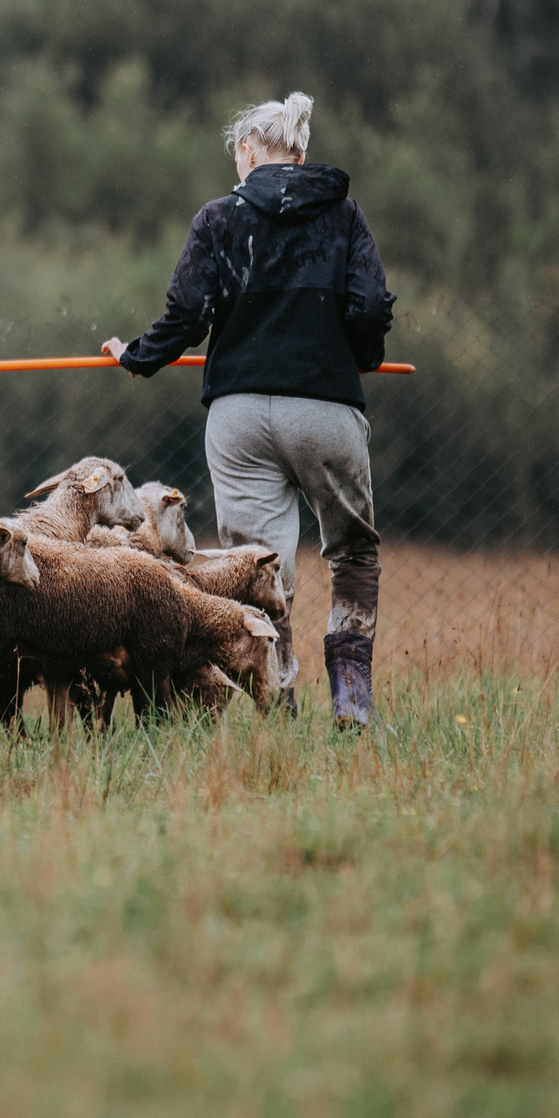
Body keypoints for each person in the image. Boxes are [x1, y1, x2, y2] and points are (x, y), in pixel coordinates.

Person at [101, 92, 393, 727]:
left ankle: (278, 707)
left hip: (237, 415)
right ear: (302, 154)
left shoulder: (219, 218)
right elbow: (370, 308)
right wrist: (361, 356)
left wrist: (136, 357)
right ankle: (351, 698)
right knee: (353, 553)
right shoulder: (344, 216)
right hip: (325, 407)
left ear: (248, 152)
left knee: (256, 566)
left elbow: (185, 317)